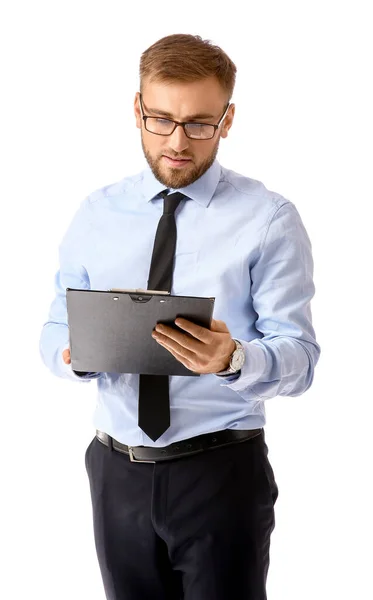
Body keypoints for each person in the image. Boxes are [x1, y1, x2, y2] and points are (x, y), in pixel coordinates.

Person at [39, 33, 320, 600]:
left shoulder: (268, 218)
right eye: (160, 119)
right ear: (137, 110)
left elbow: (301, 357)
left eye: (198, 124)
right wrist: (75, 356)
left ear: (227, 119)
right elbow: (53, 328)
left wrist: (236, 357)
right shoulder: (98, 213)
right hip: (115, 470)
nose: (176, 141)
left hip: (220, 469)